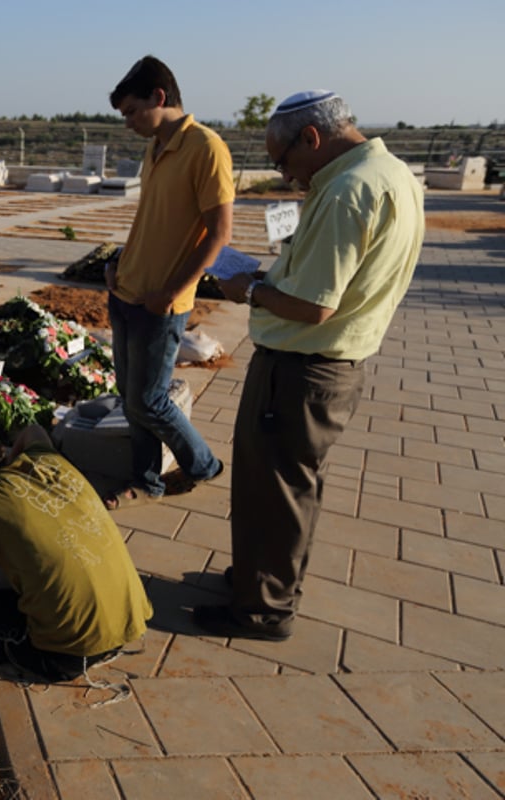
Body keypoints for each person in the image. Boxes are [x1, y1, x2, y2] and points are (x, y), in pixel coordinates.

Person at [194, 91, 425, 641]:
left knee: (274, 488)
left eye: (283, 160)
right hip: (330, 366)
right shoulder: (388, 173)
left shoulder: (348, 191)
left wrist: (248, 288)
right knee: (287, 485)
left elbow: (315, 305)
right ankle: (263, 579)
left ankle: (262, 610)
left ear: (312, 138)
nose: (286, 174)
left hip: (300, 369)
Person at [0, 420, 153, 682]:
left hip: (66, 654)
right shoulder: (44, 459)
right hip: (126, 624)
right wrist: (12, 456)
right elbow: (33, 429)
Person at [103, 55, 229, 510]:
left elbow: (219, 233)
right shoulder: (154, 147)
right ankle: (146, 479)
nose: (130, 123)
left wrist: (172, 293)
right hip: (126, 290)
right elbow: (151, 218)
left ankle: (203, 465)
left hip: (162, 303)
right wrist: (118, 263)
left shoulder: (206, 147)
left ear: (159, 98)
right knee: (131, 399)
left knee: (150, 401)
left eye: (133, 112)